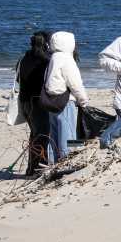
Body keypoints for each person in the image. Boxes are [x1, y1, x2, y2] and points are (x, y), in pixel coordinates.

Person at [43, 31, 89, 161]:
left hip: (51, 102)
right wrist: (84, 101)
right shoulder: (66, 59)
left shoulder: (53, 58)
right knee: (67, 136)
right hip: (65, 102)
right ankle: (66, 162)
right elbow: (75, 84)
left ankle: (52, 162)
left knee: (54, 136)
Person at [17, 31, 51, 176]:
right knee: (42, 135)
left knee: (35, 134)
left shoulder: (24, 58)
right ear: (46, 44)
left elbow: (18, 79)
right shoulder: (45, 60)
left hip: (25, 101)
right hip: (37, 102)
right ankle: (39, 168)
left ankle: (32, 168)